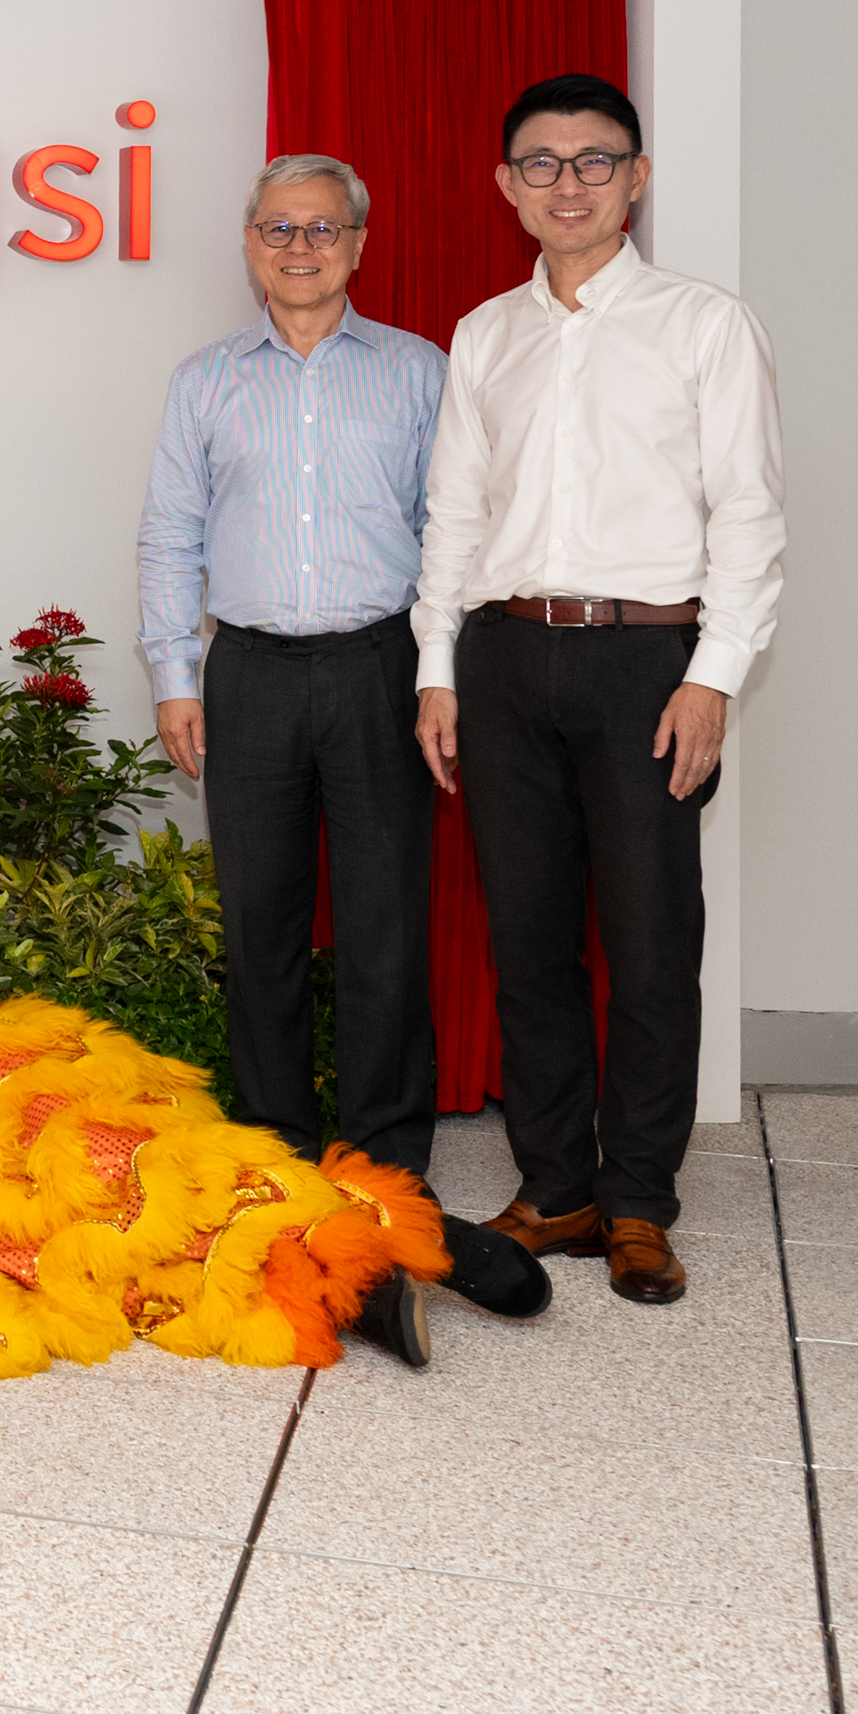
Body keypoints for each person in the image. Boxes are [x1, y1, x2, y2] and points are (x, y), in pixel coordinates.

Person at [137, 155, 544, 1365]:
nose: (298, 245)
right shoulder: (203, 383)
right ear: (248, 242)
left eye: (322, 228)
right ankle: (270, 1143)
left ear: (359, 243)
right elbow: (170, 533)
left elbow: (448, 537)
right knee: (256, 919)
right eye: (276, 226)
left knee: (381, 923)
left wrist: (436, 676)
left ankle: (380, 1160)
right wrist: (173, 675)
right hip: (248, 673)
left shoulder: (418, 372)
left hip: (378, 669)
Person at [413, 72, 783, 1308]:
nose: (564, 183)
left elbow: (747, 514)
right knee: (526, 943)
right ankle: (554, 1183)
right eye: (539, 162)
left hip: (647, 664)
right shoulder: (485, 334)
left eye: (591, 159)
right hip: (506, 657)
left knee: (647, 939)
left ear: (634, 177)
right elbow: (453, 514)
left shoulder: (701, 324)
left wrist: (711, 677)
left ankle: (637, 1202)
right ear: (505, 185)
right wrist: (436, 668)